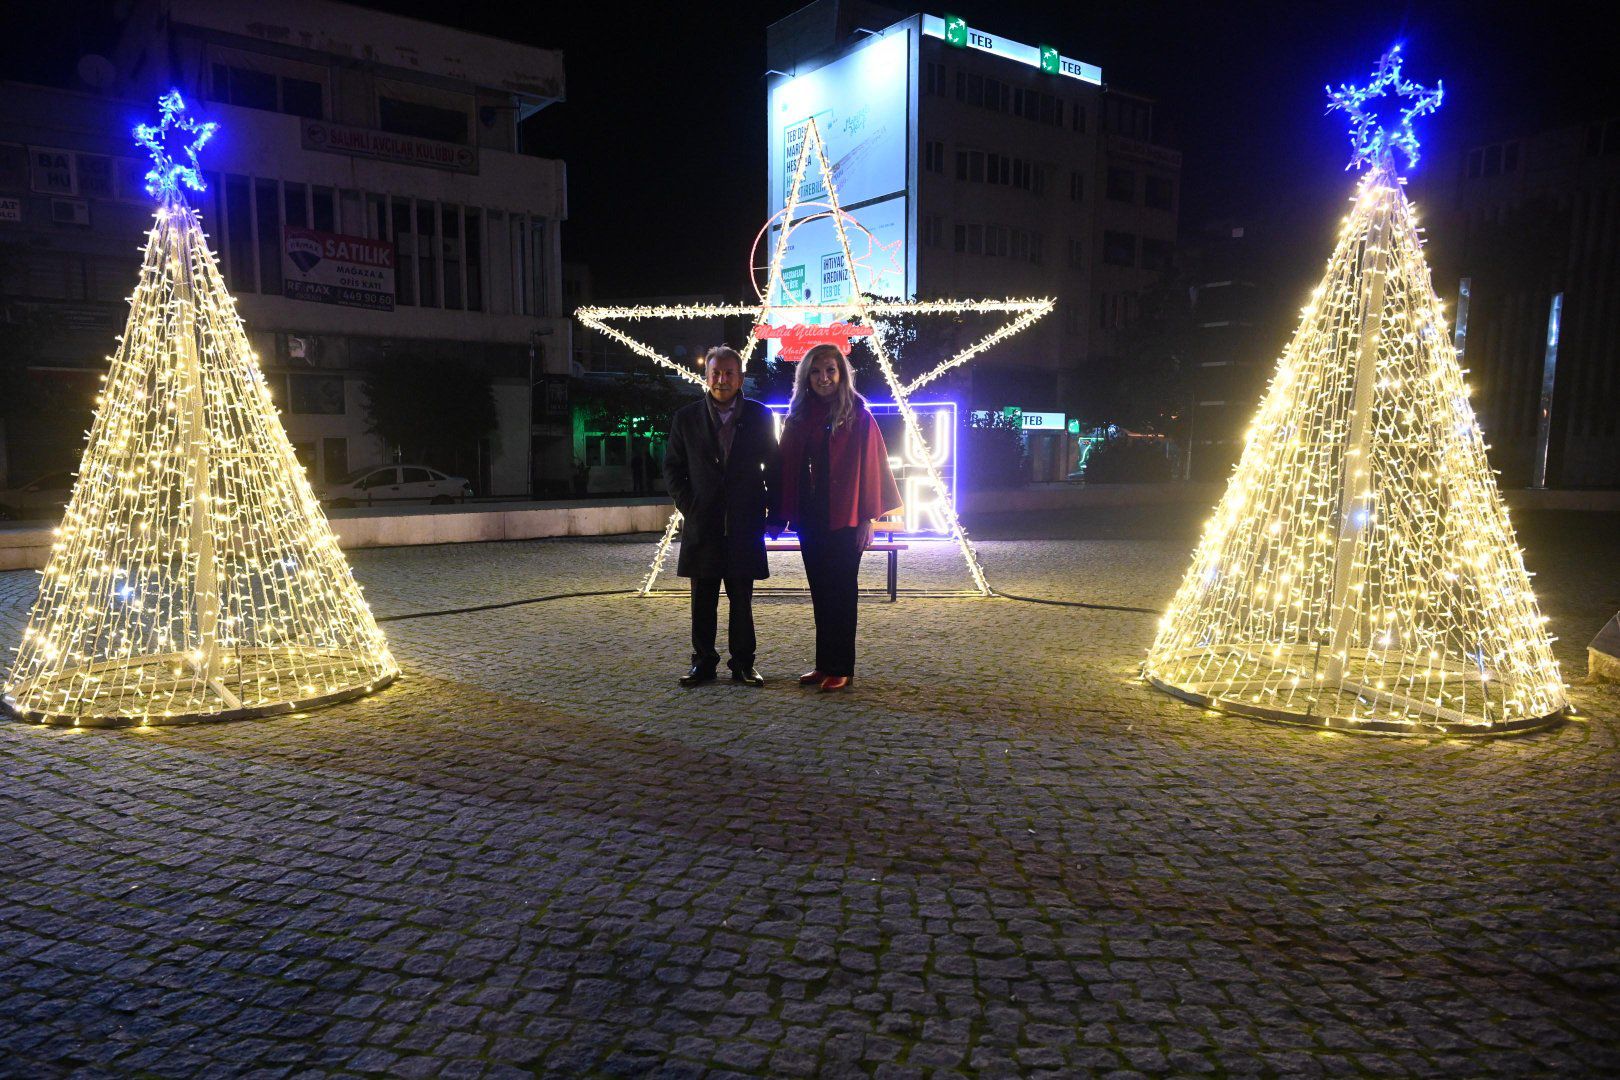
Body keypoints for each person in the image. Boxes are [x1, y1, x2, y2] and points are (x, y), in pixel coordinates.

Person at [777, 344, 901, 692]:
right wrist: (781, 510)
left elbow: (873, 468)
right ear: (806, 377)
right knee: (820, 591)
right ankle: (824, 664)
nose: (823, 378)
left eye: (830, 370)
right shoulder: (799, 417)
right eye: (816, 372)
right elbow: (785, 465)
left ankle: (841, 667)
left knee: (842, 592)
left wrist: (868, 519)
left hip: (846, 518)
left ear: (841, 374)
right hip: (811, 517)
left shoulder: (859, 416)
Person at [663, 345, 782, 687]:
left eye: (729, 373)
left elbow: (774, 466)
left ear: (741, 378)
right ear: (706, 377)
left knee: (742, 600)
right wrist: (691, 505)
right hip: (703, 524)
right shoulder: (686, 418)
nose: (722, 380)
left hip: (744, 523)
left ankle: (743, 663)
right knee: (702, 600)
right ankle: (703, 663)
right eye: (716, 373)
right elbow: (672, 468)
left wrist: (773, 512)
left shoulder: (759, 416)